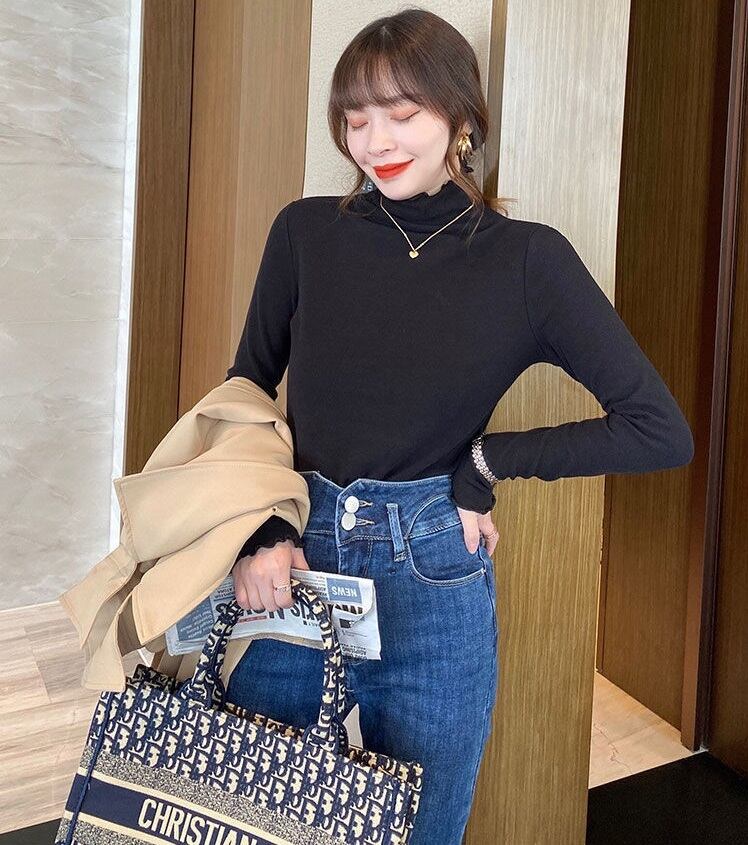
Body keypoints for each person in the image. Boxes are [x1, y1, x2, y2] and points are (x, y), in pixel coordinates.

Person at [222, 9, 694, 844]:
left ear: (461, 118)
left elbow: (658, 429)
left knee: (424, 830)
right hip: (295, 561)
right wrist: (263, 529)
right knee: (249, 820)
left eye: (402, 114)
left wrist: (485, 462)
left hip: (433, 579)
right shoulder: (304, 233)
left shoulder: (528, 260)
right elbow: (246, 393)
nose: (375, 141)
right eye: (355, 120)